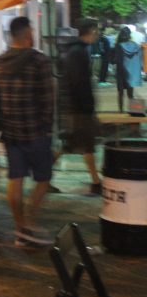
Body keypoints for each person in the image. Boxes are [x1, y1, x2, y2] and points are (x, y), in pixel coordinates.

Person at [0, 16, 54, 247]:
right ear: (28, 34)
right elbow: (48, 99)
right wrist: (47, 128)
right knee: (43, 179)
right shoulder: (39, 61)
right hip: (36, 132)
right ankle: (28, 222)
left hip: (11, 133)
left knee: (15, 180)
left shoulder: (0, 62)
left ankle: (20, 229)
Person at [57, 19, 102, 195]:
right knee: (86, 145)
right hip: (79, 109)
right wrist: (88, 108)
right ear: (90, 31)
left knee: (70, 144)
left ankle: (42, 177)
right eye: (96, 31)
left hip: (76, 108)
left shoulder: (77, 50)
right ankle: (96, 182)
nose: (98, 34)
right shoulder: (78, 52)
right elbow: (79, 83)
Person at [114, 27, 143, 112]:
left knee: (120, 93)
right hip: (131, 72)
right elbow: (139, 58)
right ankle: (134, 111)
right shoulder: (135, 45)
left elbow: (117, 60)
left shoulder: (118, 45)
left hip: (121, 72)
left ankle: (121, 112)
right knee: (130, 94)